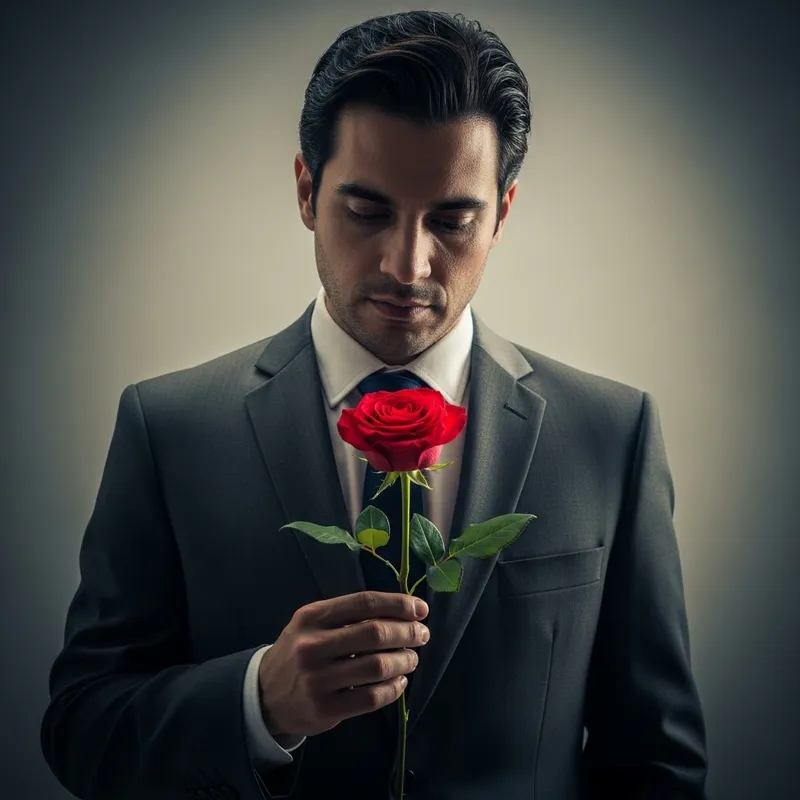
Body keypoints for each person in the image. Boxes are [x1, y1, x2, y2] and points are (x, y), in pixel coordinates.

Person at [40, 10, 708, 800]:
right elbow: (81, 730)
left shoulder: (612, 435)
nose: (408, 262)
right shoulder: (168, 429)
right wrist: (258, 703)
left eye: (454, 219)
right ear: (305, 191)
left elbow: (658, 765)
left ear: (503, 214)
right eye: (367, 212)